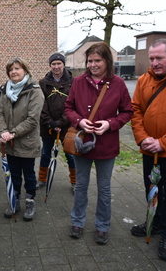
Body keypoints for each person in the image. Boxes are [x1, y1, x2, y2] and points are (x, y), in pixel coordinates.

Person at [65, 42, 132, 244]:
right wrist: (79, 121)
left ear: (107, 61)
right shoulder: (78, 81)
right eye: (90, 61)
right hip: (82, 143)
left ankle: (102, 226)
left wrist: (110, 124)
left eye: (97, 61)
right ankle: (77, 221)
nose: (93, 65)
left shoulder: (118, 83)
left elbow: (128, 112)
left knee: (104, 189)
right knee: (81, 185)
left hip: (106, 145)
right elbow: (68, 107)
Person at [131, 38, 166, 261]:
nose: (154, 63)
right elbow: (136, 111)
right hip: (149, 151)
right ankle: (155, 222)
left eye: (159, 58)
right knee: (152, 189)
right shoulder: (143, 81)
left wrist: (163, 142)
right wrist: (143, 139)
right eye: (151, 58)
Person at [0, 57, 44, 221]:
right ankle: (14, 200)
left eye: (17, 68)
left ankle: (30, 201)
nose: (14, 72)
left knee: (29, 175)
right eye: (11, 69)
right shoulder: (5, 90)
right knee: (13, 174)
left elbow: (32, 119)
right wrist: (3, 131)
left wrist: (13, 133)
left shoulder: (34, 91)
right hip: (9, 141)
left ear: (25, 70)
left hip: (27, 142)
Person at [37, 52, 76, 193]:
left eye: (59, 63)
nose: (56, 66)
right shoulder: (43, 83)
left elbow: (73, 104)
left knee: (70, 154)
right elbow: (42, 104)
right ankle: (42, 179)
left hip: (67, 125)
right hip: (48, 125)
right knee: (45, 153)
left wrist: (61, 122)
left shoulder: (73, 82)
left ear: (64, 65)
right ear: (50, 65)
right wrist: (51, 123)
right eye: (53, 64)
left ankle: (75, 181)